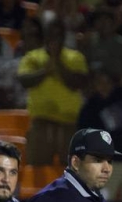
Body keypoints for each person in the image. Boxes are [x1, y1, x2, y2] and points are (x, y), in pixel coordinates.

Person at [18, 21, 88, 167]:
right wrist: (45, 71)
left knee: (71, 171)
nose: (55, 39)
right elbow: (24, 80)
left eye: (59, 35)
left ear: (64, 37)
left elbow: (78, 83)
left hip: (69, 123)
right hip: (41, 122)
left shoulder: (75, 57)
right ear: (45, 37)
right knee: (37, 169)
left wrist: (59, 64)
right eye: (52, 35)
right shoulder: (33, 57)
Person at [77, 68, 122, 202]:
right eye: (100, 82)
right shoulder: (89, 108)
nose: (104, 85)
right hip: (106, 164)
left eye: (107, 82)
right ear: (94, 84)